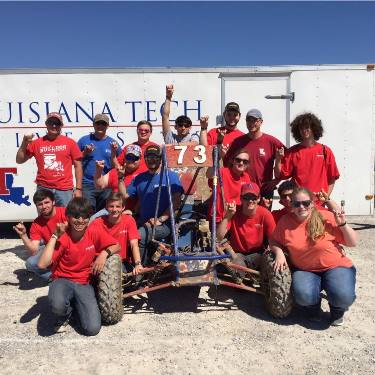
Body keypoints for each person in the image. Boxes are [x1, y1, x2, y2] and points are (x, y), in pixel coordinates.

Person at [270, 187, 357, 326]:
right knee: (303, 296)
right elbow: (274, 240)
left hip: (335, 266)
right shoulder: (286, 222)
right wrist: (279, 253)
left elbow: (352, 242)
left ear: (312, 203)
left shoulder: (326, 216)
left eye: (305, 203)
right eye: (297, 204)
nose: (301, 207)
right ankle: (313, 309)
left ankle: (337, 310)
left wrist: (343, 224)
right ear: (291, 205)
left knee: (343, 296)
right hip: (306, 270)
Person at [37, 197, 120, 335]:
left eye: (85, 217)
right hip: (62, 279)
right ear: (68, 217)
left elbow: (116, 245)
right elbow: (41, 264)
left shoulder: (93, 231)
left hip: (84, 282)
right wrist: (55, 235)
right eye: (76, 216)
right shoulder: (63, 237)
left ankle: (76, 305)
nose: (80, 221)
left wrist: (103, 254)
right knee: (58, 305)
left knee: (92, 329)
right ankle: (65, 314)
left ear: (89, 218)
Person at [119, 144, 184, 263]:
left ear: (161, 159)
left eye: (155, 157)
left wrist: (161, 219)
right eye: (149, 158)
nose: (152, 160)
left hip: (164, 225)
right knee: (119, 231)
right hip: (142, 221)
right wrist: (120, 178)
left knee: (140, 235)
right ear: (145, 159)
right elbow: (124, 196)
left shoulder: (171, 176)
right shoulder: (140, 178)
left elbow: (176, 200)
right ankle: (123, 266)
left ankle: (140, 271)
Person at [15, 112, 83, 207]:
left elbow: (78, 165)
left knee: (65, 218)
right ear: (46, 124)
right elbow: (19, 160)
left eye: (57, 123)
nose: (54, 125)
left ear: (61, 126)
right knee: (44, 219)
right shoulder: (37, 143)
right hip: (43, 188)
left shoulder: (70, 143)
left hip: (64, 189)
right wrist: (24, 143)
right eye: (51, 122)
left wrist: (79, 189)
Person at [274, 112, 340, 203]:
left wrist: (325, 198)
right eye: (301, 128)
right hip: (299, 203)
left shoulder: (325, 151)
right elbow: (279, 175)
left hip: (319, 203)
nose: (304, 130)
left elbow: (332, 178)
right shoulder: (293, 152)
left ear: (314, 129)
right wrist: (278, 160)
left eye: (307, 127)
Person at [224, 109, 284, 204]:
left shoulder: (272, 142)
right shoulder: (238, 142)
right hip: (243, 190)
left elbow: (288, 162)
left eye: (255, 120)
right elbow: (227, 163)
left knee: (263, 217)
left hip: (264, 191)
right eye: (249, 120)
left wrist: (276, 181)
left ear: (261, 122)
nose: (251, 123)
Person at [217, 182, 276, 268]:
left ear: (259, 198)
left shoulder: (265, 214)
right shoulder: (233, 212)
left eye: (253, 198)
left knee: (274, 261)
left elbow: (274, 239)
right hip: (237, 254)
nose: (250, 201)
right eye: (246, 197)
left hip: (258, 253)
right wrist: (227, 217)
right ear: (241, 199)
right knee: (237, 265)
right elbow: (218, 237)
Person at [13, 189, 67, 281]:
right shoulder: (36, 223)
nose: (44, 206)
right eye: (40, 204)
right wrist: (23, 235)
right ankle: (55, 278)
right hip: (53, 249)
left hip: (68, 248)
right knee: (30, 263)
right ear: (36, 206)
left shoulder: (65, 212)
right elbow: (34, 251)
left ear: (53, 202)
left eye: (46, 202)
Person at [77, 113, 122, 212]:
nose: (100, 126)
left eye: (103, 124)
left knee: (105, 214)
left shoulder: (113, 143)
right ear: (93, 124)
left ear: (107, 126)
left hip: (106, 186)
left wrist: (113, 153)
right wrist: (85, 152)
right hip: (87, 184)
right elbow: (75, 161)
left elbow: (119, 166)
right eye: (98, 123)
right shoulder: (83, 140)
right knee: (87, 213)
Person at [92, 192, 143, 274]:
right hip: (101, 260)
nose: (114, 210)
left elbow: (134, 244)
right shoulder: (97, 223)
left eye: (118, 206)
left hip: (121, 262)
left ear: (123, 208)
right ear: (106, 207)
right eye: (111, 206)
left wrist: (138, 264)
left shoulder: (129, 220)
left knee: (137, 277)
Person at [206, 149, 252, 222]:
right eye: (238, 160)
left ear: (248, 164)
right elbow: (209, 174)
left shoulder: (246, 177)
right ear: (233, 161)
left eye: (245, 161)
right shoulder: (223, 172)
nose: (241, 163)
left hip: (236, 218)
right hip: (219, 217)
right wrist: (217, 158)